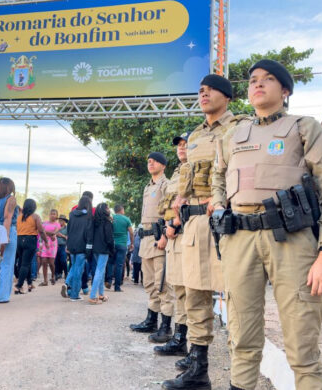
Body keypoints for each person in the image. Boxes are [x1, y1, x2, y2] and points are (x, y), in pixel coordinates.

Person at [211, 60, 322, 390]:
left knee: (302, 345)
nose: (258, 84)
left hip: (292, 240)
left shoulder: (305, 127)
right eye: (253, 80)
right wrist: (217, 203)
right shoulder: (233, 135)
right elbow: (218, 176)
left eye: (268, 79)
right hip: (239, 238)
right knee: (241, 337)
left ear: (284, 90)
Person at [162, 74, 237, 390]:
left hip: (223, 222)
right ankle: (198, 370)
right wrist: (178, 209)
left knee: (234, 297)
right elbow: (185, 183)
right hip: (192, 224)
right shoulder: (193, 136)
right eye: (200, 90)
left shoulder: (240, 128)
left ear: (227, 96)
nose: (203, 94)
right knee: (195, 296)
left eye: (210, 89)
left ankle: (241, 376)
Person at [130, 152, 175, 344]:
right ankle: (151, 320)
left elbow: (170, 211)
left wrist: (165, 235)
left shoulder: (167, 184)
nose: (150, 163)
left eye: (154, 161)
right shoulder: (148, 187)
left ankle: (166, 327)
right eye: (148, 161)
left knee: (162, 284)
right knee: (149, 283)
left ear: (163, 165)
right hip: (146, 239)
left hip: (159, 238)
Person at [154, 132, 190, 359]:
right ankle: (180, 338)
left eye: (186, 144)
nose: (181, 148)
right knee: (177, 287)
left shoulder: (194, 168)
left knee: (188, 290)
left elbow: (187, 201)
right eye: (179, 145)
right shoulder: (179, 171)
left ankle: (184, 340)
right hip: (172, 233)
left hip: (185, 231)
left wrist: (173, 227)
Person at [0, 177, 18, 303]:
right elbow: (7, 217)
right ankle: (2, 296)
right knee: (7, 264)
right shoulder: (10, 199)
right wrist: (5, 238)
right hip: (6, 230)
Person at [62, 196, 93, 301]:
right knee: (78, 271)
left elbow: (69, 231)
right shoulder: (88, 217)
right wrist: (89, 249)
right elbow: (89, 234)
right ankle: (75, 295)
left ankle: (67, 283)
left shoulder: (72, 215)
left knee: (74, 267)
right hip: (82, 246)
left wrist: (68, 244)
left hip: (72, 245)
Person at [14, 198, 48, 294]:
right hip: (30, 240)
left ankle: (29, 284)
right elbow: (41, 230)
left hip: (19, 240)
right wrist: (46, 241)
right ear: (34, 207)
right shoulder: (35, 216)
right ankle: (18, 286)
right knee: (25, 264)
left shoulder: (19, 217)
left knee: (24, 262)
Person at [89, 203, 114, 304]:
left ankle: (101, 294)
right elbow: (109, 239)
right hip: (104, 250)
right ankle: (92, 296)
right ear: (104, 210)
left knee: (101, 271)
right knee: (99, 271)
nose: (109, 209)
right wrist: (112, 250)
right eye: (107, 208)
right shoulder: (107, 222)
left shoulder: (94, 222)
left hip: (95, 249)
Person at [106, 204, 134, 292]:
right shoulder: (126, 219)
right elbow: (131, 232)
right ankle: (117, 287)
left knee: (110, 263)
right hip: (122, 245)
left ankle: (109, 281)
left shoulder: (112, 218)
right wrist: (132, 243)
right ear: (122, 210)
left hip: (112, 244)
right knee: (119, 265)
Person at [38, 209, 61, 286]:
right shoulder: (44, 223)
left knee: (51, 263)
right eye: (51, 214)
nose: (52, 215)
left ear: (56, 216)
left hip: (53, 244)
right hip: (45, 243)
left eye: (54, 214)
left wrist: (46, 232)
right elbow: (41, 232)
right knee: (44, 261)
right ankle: (45, 281)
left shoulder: (57, 224)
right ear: (49, 215)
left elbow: (55, 232)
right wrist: (50, 234)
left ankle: (53, 276)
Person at [54, 215, 69, 280]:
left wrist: (61, 235)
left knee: (63, 260)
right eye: (60, 220)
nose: (60, 222)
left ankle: (66, 273)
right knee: (56, 261)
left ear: (64, 221)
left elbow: (68, 238)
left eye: (62, 220)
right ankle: (57, 274)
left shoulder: (67, 228)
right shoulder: (56, 227)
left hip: (63, 246)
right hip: (55, 246)